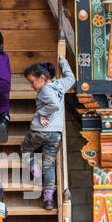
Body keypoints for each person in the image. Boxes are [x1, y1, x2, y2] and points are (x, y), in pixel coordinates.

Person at [21, 56, 75, 210]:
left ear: (42, 78)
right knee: (49, 166)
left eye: (32, 81)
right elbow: (71, 78)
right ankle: (49, 199)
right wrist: (63, 62)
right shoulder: (60, 85)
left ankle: (35, 169)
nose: (32, 86)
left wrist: (42, 114)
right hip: (55, 134)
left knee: (25, 149)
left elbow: (54, 105)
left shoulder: (44, 90)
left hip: (39, 131)